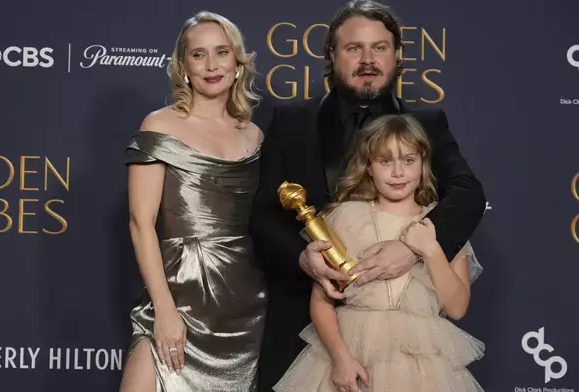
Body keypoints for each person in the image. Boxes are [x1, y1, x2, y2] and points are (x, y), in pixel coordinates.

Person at [249, 1, 486, 390]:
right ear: (331, 54)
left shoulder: (427, 124)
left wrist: (413, 245)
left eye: (379, 47)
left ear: (397, 55)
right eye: (354, 48)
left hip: (406, 348)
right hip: (304, 329)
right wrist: (302, 258)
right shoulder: (291, 122)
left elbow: (467, 192)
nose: (368, 59)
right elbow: (263, 214)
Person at [273, 114, 485, 392]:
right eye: (385, 161)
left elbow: (457, 308)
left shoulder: (440, 224)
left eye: (408, 160)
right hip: (352, 353)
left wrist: (431, 249)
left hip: (422, 367)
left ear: (423, 164)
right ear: (368, 167)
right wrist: (340, 359)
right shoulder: (346, 218)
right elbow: (322, 301)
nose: (398, 172)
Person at [119, 11, 266, 392]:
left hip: (242, 304)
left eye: (222, 52)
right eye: (198, 55)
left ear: (237, 63)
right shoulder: (160, 125)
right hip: (177, 292)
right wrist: (165, 311)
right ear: (183, 66)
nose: (212, 65)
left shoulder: (254, 136)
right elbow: (140, 223)